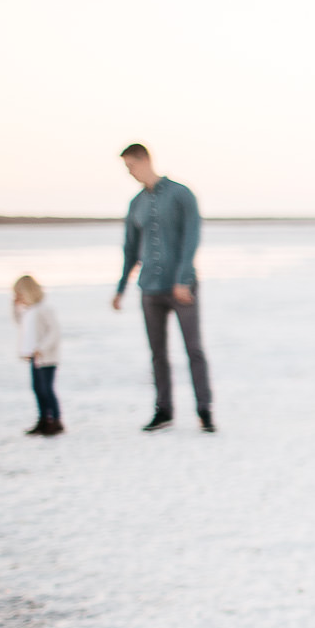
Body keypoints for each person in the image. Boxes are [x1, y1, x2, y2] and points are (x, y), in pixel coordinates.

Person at [113, 143, 214, 432]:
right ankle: (164, 410)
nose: (129, 172)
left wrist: (183, 279)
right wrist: (121, 288)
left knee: (193, 349)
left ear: (145, 160)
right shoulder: (136, 204)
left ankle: (204, 410)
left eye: (131, 165)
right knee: (157, 353)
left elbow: (191, 237)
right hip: (150, 288)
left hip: (181, 286)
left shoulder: (181, 194)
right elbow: (130, 249)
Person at [12, 274, 63, 436]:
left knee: (46, 389)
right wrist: (15, 306)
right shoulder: (29, 311)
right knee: (37, 389)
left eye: (20, 294)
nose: (19, 298)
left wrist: (42, 348)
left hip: (47, 357)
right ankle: (42, 419)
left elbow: (54, 331)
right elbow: (19, 321)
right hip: (35, 357)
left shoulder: (43, 309)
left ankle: (55, 420)